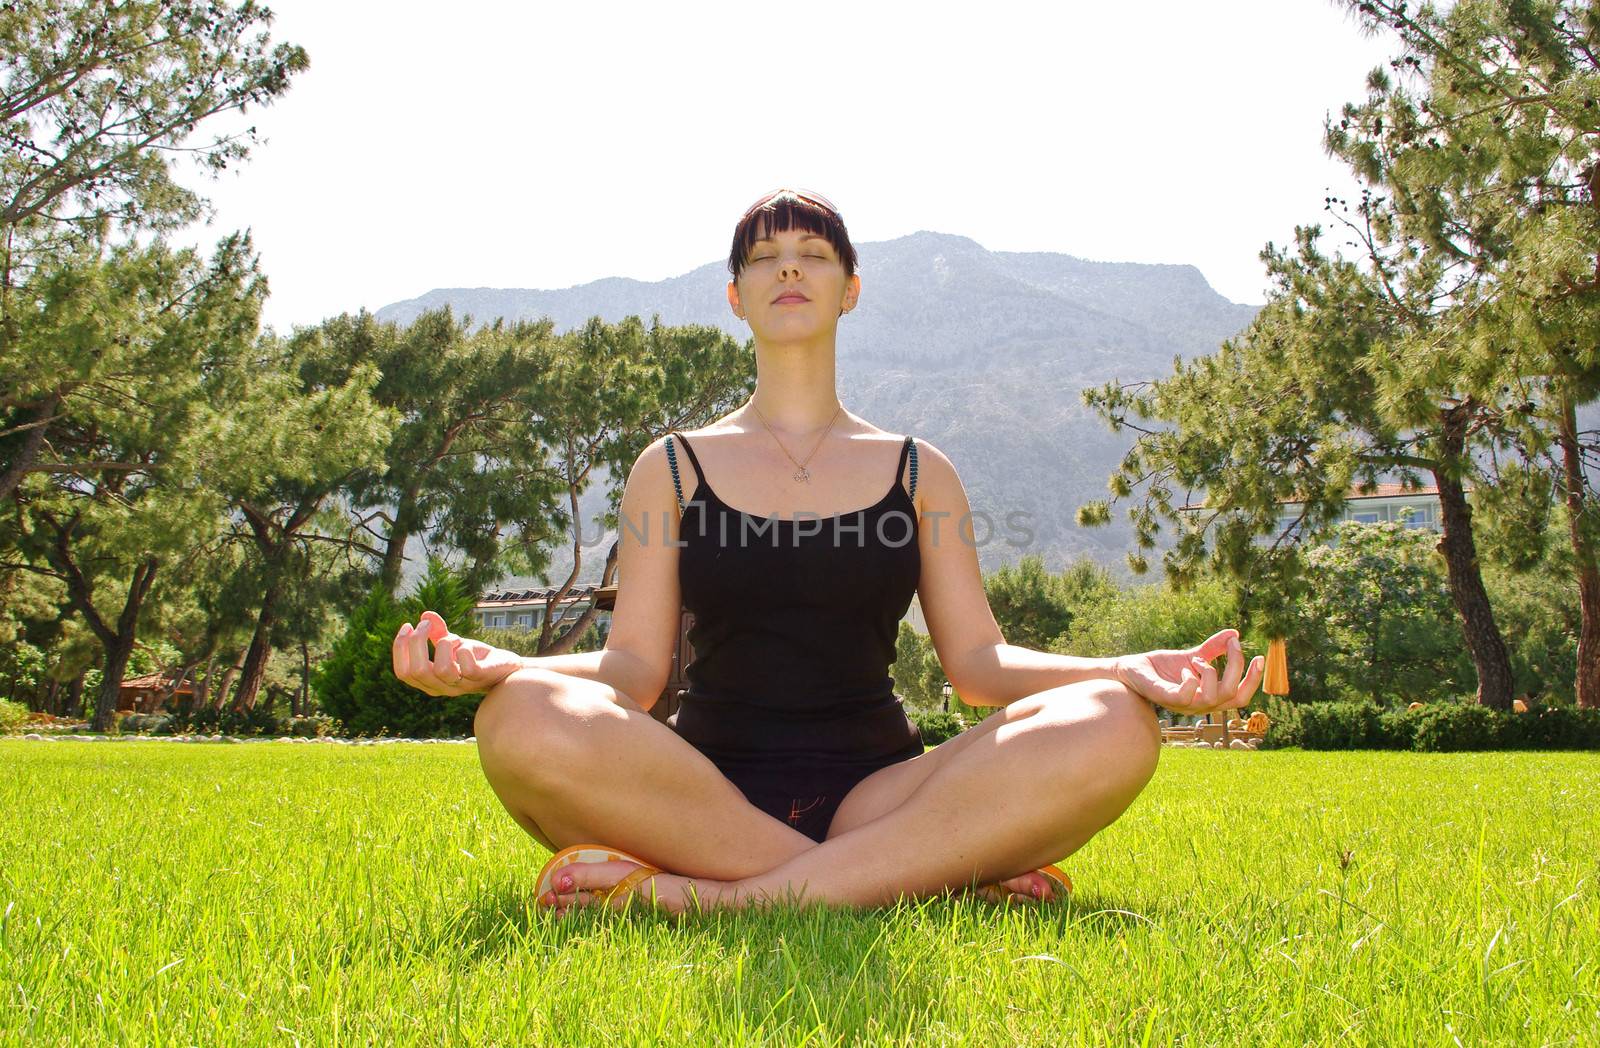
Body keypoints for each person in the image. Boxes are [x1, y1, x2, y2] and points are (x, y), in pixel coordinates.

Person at [391, 188, 1264, 916]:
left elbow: (979, 667)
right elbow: (632, 674)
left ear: (850, 288)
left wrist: (1127, 668)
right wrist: (506, 667)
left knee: (1115, 726)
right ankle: (919, 880)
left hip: (880, 795)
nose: (790, 269)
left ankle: (713, 899)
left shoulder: (922, 472)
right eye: (764, 258)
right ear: (736, 296)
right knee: (516, 718)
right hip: (699, 795)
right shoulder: (670, 468)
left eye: (813, 252)